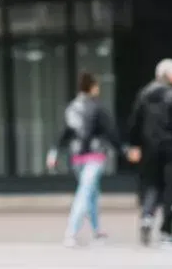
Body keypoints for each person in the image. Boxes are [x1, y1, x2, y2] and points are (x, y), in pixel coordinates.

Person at [47, 72, 131, 247]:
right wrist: (123, 149)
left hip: (77, 157)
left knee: (91, 192)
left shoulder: (71, 108)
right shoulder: (98, 107)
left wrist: (54, 151)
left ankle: (96, 229)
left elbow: (66, 133)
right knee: (85, 192)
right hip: (95, 155)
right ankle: (71, 232)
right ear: (92, 87)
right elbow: (111, 132)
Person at [127, 59, 172, 248]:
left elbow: (135, 122)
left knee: (151, 186)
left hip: (149, 149)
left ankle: (147, 217)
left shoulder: (144, 95)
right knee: (170, 190)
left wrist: (134, 145)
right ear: (171, 75)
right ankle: (166, 231)